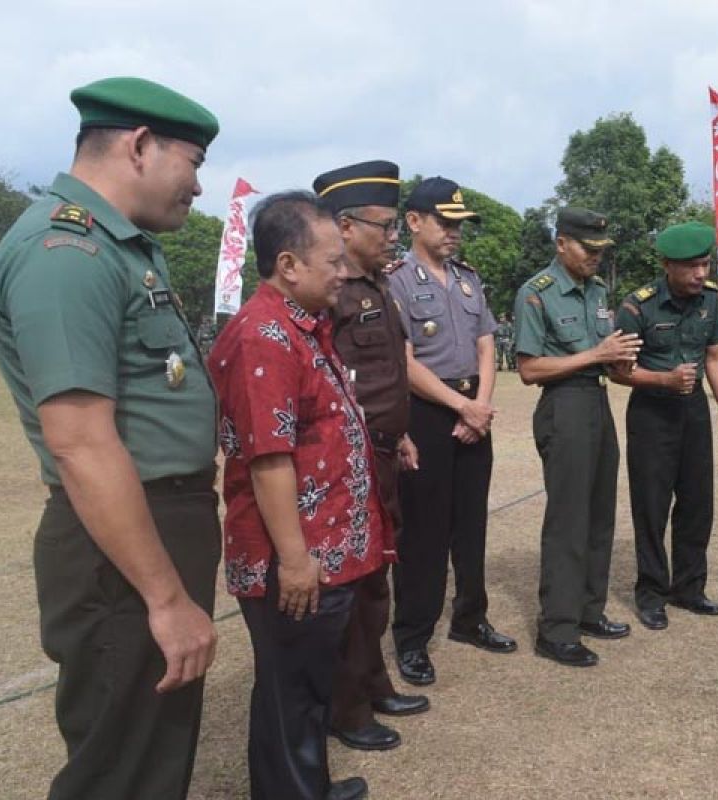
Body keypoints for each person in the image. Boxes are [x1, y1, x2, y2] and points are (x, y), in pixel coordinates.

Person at [0, 77, 221, 800]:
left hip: (152, 526)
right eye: (193, 162)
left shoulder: (126, 248)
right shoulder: (69, 251)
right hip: (122, 547)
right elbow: (81, 444)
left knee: (152, 752)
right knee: (120, 769)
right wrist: (164, 598)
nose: (196, 185)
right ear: (140, 145)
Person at [211, 191, 387, 800]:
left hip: (321, 553)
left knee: (306, 688)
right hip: (294, 560)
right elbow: (269, 458)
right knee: (292, 693)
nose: (345, 272)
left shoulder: (301, 327)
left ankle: (304, 784)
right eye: (333, 261)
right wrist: (293, 560)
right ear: (288, 265)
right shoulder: (264, 336)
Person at [312, 161, 430, 753]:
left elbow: (386, 374)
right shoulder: (327, 292)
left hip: (382, 452)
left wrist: (399, 431)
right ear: (345, 225)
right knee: (352, 586)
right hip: (346, 461)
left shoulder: (380, 285)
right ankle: (348, 705)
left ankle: (374, 681)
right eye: (384, 226)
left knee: (376, 579)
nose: (393, 237)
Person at [386, 177, 516, 686]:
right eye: (446, 222)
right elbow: (404, 361)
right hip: (428, 413)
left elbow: (487, 343)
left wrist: (479, 405)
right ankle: (413, 636)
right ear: (414, 222)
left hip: (472, 413)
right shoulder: (397, 280)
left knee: (470, 525)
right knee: (423, 533)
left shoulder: (467, 278)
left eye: (459, 224)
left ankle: (470, 617)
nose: (455, 233)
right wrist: (462, 405)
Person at [513, 207, 640, 667]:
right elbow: (529, 370)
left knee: (599, 513)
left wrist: (618, 358)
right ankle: (558, 628)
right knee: (568, 518)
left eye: (602, 250)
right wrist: (595, 354)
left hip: (598, 402)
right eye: (588, 249)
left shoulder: (599, 290)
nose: (596, 258)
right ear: (561, 243)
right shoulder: (537, 293)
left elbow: (606, 357)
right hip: (563, 405)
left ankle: (590, 610)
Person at [611, 221, 718, 631]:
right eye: (692, 267)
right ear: (667, 265)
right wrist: (661, 379)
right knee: (651, 506)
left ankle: (689, 587)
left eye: (705, 264)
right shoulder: (637, 307)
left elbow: (714, 356)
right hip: (651, 413)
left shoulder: (710, 300)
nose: (702, 274)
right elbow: (618, 370)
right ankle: (651, 592)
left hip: (694, 412)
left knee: (698, 502)